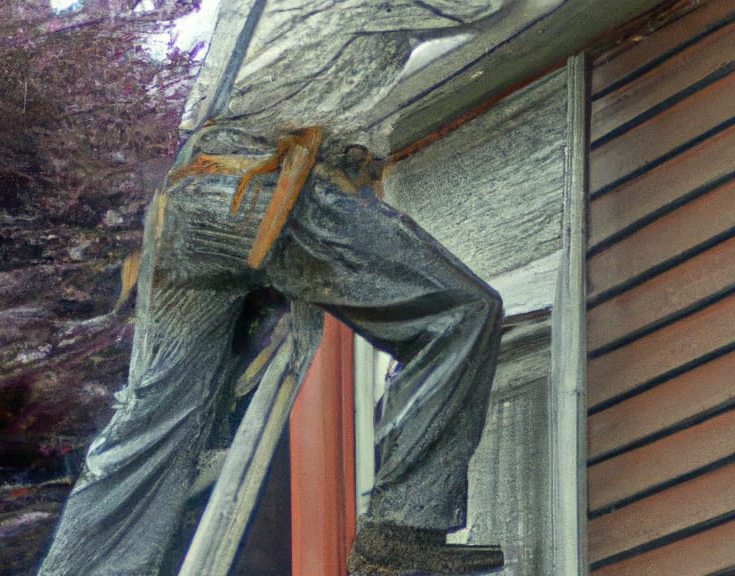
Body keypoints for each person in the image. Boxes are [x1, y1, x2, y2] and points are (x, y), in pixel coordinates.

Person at [38, 122, 503, 576]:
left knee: (153, 418)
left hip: (190, 193)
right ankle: (401, 539)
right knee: (459, 312)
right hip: (268, 183)